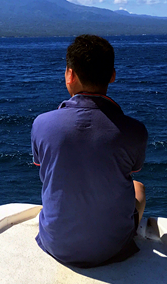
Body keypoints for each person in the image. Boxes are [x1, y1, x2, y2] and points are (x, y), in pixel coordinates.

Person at [31, 34, 147, 267]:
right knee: (138, 187)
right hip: (112, 248)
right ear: (112, 76)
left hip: (57, 244)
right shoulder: (135, 130)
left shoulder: (42, 124)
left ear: (70, 74)